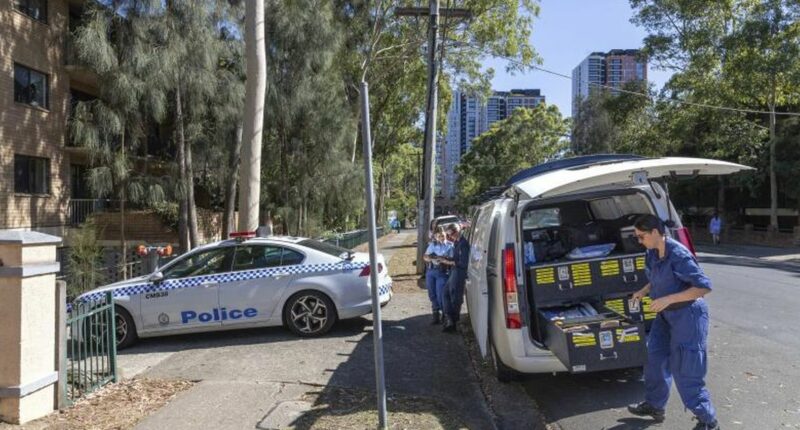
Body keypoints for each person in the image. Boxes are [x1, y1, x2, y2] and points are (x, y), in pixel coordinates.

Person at [627, 214, 719, 430]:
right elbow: (656, 279)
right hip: (666, 315)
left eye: (641, 236)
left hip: (688, 315)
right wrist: (643, 291)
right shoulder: (651, 252)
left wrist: (668, 299)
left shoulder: (678, 254)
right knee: (654, 357)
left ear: (656, 233)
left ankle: (708, 420)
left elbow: (703, 287)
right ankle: (655, 405)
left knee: (686, 369)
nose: (639, 241)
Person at [440, 223, 469, 333]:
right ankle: (449, 317)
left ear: (456, 232)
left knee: (455, 297)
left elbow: (463, 262)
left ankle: (453, 322)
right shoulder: (457, 243)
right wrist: (446, 258)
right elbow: (456, 258)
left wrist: (448, 261)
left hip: (459, 272)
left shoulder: (463, 244)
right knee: (446, 293)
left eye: (450, 235)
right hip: (454, 271)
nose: (449, 237)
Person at [423, 228, 452, 324]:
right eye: (439, 236)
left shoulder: (450, 246)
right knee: (432, 294)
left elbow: (452, 260)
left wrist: (443, 259)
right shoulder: (432, 245)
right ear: (436, 237)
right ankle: (436, 314)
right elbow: (425, 257)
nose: (441, 238)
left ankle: (444, 314)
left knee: (440, 294)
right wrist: (430, 258)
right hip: (431, 271)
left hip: (442, 272)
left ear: (446, 235)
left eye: (443, 236)